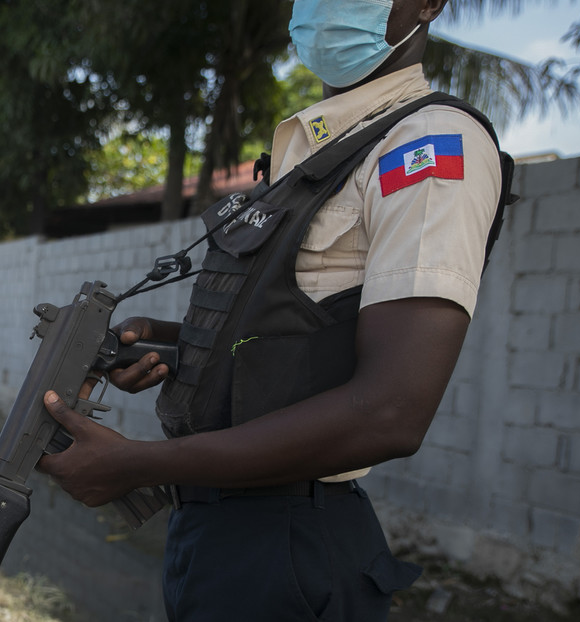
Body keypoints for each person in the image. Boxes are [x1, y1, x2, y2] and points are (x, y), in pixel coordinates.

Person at [36, 1, 509, 620]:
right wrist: (178, 347)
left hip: (286, 541)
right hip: (217, 531)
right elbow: (298, 336)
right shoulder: (314, 149)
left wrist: (138, 464)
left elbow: (391, 412)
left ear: (426, 3)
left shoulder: (427, 146)